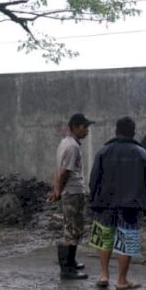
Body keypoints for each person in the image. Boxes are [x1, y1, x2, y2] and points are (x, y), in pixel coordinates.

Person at [88, 116, 146, 290]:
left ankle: (104, 275)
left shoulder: (103, 151)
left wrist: (93, 200)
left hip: (104, 202)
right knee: (126, 239)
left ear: (116, 131)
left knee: (104, 237)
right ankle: (121, 280)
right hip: (130, 205)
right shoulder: (141, 153)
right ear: (133, 133)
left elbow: (94, 179)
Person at [48, 112, 93, 280]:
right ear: (75, 127)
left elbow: (58, 169)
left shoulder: (65, 143)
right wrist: (58, 191)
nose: (87, 130)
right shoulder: (72, 146)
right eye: (84, 127)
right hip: (73, 192)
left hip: (70, 191)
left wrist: (57, 190)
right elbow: (64, 172)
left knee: (74, 227)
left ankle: (71, 262)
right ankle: (67, 269)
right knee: (72, 229)